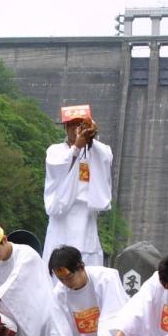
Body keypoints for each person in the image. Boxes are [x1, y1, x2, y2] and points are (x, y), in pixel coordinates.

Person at [42, 105, 112, 266]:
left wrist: (91, 140)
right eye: (72, 125)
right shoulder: (55, 151)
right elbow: (59, 168)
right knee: (59, 259)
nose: (77, 129)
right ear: (65, 127)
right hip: (63, 214)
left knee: (87, 261)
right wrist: (77, 147)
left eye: (81, 124)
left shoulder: (96, 150)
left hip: (85, 214)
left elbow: (106, 158)